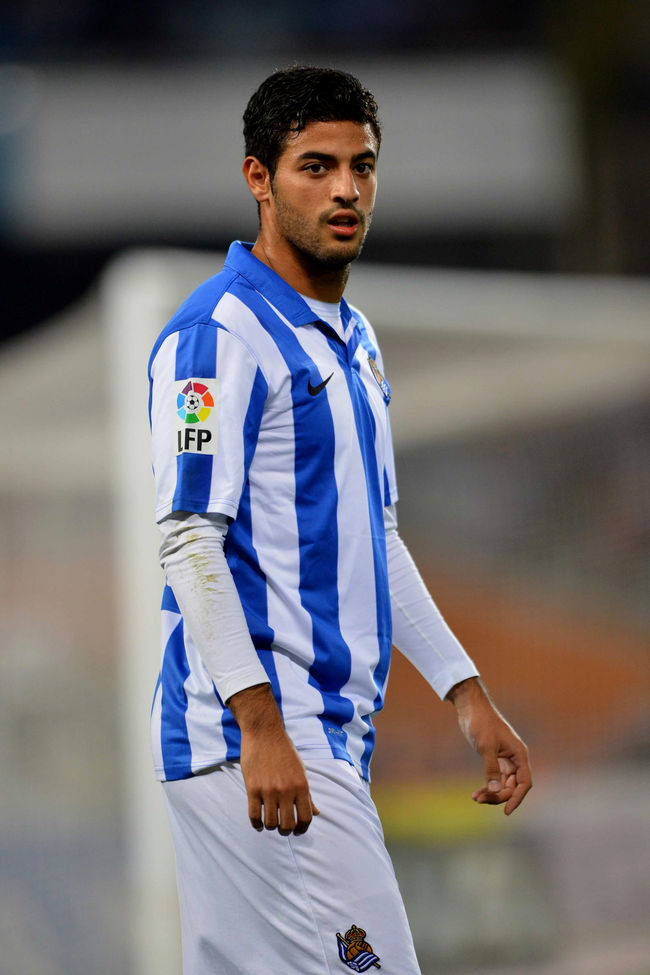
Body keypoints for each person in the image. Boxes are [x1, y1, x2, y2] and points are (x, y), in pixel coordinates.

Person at [148, 65, 532, 975]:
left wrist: (466, 693)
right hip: (262, 740)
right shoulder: (219, 335)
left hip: (315, 739)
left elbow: (376, 537)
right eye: (315, 167)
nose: (346, 190)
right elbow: (189, 538)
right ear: (259, 178)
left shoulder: (353, 338)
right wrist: (260, 726)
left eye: (361, 166)